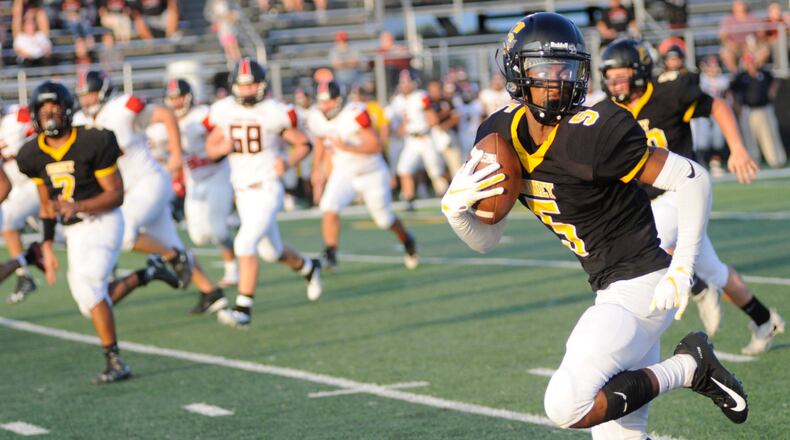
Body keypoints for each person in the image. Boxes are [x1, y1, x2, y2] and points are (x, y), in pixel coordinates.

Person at [442, 13, 748, 438]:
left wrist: (684, 266)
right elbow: (488, 239)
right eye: (544, 70)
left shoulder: (594, 132)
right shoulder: (499, 133)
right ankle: (688, 367)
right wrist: (458, 213)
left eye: (566, 70)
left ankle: (690, 365)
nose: (558, 81)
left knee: (566, 405)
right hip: (610, 286)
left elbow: (692, 178)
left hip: (641, 286)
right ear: (517, 73)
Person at [600, 39, 784, 354]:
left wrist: (737, 148)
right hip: (651, 199)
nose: (614, 81)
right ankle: (765, 320)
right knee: (716, 271)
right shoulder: (610, 110)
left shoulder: (667, 92)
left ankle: (697, 289)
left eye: (621, 74)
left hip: (683, 192)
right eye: (610, 75)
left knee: (646, 243)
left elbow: (717, 105)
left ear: (640, 72)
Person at [16, 81, 180, 384]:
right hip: (73, 231)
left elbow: (115, 195)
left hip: (104, 221)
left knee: (91, 289)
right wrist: (48, 245)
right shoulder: (31, 154)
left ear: (67, 110)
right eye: (43, 110)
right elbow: (46, 204)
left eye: (54, 109)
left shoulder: (92, 141)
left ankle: (115, 360)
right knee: (88, 303)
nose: (50, 116)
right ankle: (147, 274)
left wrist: (78, 205)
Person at [72, 70, 227, 315]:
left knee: (124, 234)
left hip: (148, 182)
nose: (87, 100)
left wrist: (176, 152)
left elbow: (165, 114)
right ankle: (211, 292)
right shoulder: (80, 120)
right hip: (128, 189)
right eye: (83, 95)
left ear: (103, 91)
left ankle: (172, 257)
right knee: (170, 241)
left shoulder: (122, 108)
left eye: (91, 94)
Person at [205, 58, 322, 328]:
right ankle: (308, 267)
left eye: (252, 85)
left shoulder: (274, 111)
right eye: (242, 85)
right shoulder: (222, 110)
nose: (247, 90)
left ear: (261, 85)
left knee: (244, 244)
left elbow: (303, 143)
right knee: (272, 252)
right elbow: (211, 148)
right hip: (242, 192)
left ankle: (243, 310)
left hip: (267, 188)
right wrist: (220, 150)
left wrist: (289, 163)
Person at [307, 81, 418, 271]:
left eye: (329, 102)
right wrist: (317, 168)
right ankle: (331, 252)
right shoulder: (316, 116)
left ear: (339, 100)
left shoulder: (355, 113)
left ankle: (407, 239)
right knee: (329, 207)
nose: (325, 107)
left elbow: (376, 145)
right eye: (322, 102)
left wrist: (347, 147)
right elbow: (320, 138)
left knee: (383, 219)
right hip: (344, 172)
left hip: (371, 171)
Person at [157, 79, 239, 291]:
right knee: (198, 235)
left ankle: (233, 269)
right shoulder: (165, 122)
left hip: (216, 174)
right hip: (194, 179)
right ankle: (233, 221)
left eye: (179, 97)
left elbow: (224, 140)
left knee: (217, 229)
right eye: (172, 98)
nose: (176, 102)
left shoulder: (203, 116)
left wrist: (210, 158)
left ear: (189, 96)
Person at [389, 69, 447, 210]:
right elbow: (397, 123)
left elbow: (432, 118)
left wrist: (424, 126)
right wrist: (401, 129)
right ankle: (409, 199)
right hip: (410, 140)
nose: (405, 85)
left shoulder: (421, 96)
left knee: (435, 171)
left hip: (425, 137)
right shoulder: (397, 101)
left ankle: (446, 196)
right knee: (404, 169)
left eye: (408, 82)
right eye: (403, 82)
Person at [0, 103, 40, 304]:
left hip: (34, 181)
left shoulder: (16, 116)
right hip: (17, 186)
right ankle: (24, 270)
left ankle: (25, 272)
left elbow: (40, 123)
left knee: (7, 221)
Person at [730, 52, 787, 169]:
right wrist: (736, 105)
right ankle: (753, 161)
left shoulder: (764, 73)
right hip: (748, 110)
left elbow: (776, 81)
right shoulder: (741, 76)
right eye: (747, 62)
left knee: (770, 135)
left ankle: (776, 160)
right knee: (749, 137)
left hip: (764, 109)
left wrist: (771, 93)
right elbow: (731, 90)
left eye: (751, 62)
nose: (750, 65)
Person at [719, 1, 770, 73]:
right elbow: (723, 37)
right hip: (734, 47)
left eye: (741, 4)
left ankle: (750, 72)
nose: (739, 7)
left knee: (764, 50)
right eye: (737, 5)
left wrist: (757, 39)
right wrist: (729, 43)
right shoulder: (728, 20)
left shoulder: (752, 18)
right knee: (724, 52)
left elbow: (760, 35)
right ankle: (736, 74)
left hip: (750, 47)